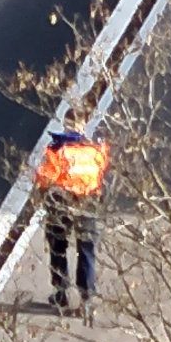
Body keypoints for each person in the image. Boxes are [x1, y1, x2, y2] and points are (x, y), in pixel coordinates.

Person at [34, 119, 107, 310]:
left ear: (66, 126)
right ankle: (87, 297)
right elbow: (100, 176)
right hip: (88, 203)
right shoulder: (95, 151)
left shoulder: (58, 151)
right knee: (86, 249)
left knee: (58, 247)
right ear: (83, 127)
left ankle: (60, 293)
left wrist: (42, 197)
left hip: (62, 203)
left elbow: (44, 179)